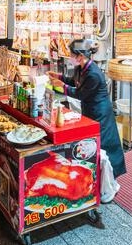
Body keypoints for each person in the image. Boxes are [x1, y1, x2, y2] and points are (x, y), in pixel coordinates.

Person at [48, 38, 126, 202]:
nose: (69, 56)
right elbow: (73, 81)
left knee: (104, 149)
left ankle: (110, 186)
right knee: (95, 148)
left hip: (100, 113)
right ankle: (99, 183)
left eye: (71, 54)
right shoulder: (80, 68)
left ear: (80, 55)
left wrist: (59, 86)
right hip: (90, 110)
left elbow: (80, 93)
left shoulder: (94, 73)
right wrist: (59, 77)